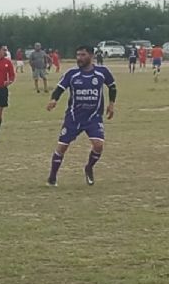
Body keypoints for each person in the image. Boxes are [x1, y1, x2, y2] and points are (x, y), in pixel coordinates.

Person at [45, 45, 116, 187]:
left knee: (98, 145)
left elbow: (112, 86)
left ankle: (89, 167)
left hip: (94, 117)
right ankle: (52, 177)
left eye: (83, 55)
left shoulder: (102, 72)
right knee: (62, 147)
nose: (79, 58)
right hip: (73, 117)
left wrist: (111, 104)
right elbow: (60, 88)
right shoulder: (72, 74)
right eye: (78, 55)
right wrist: (54, 99)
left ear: (91, 56)